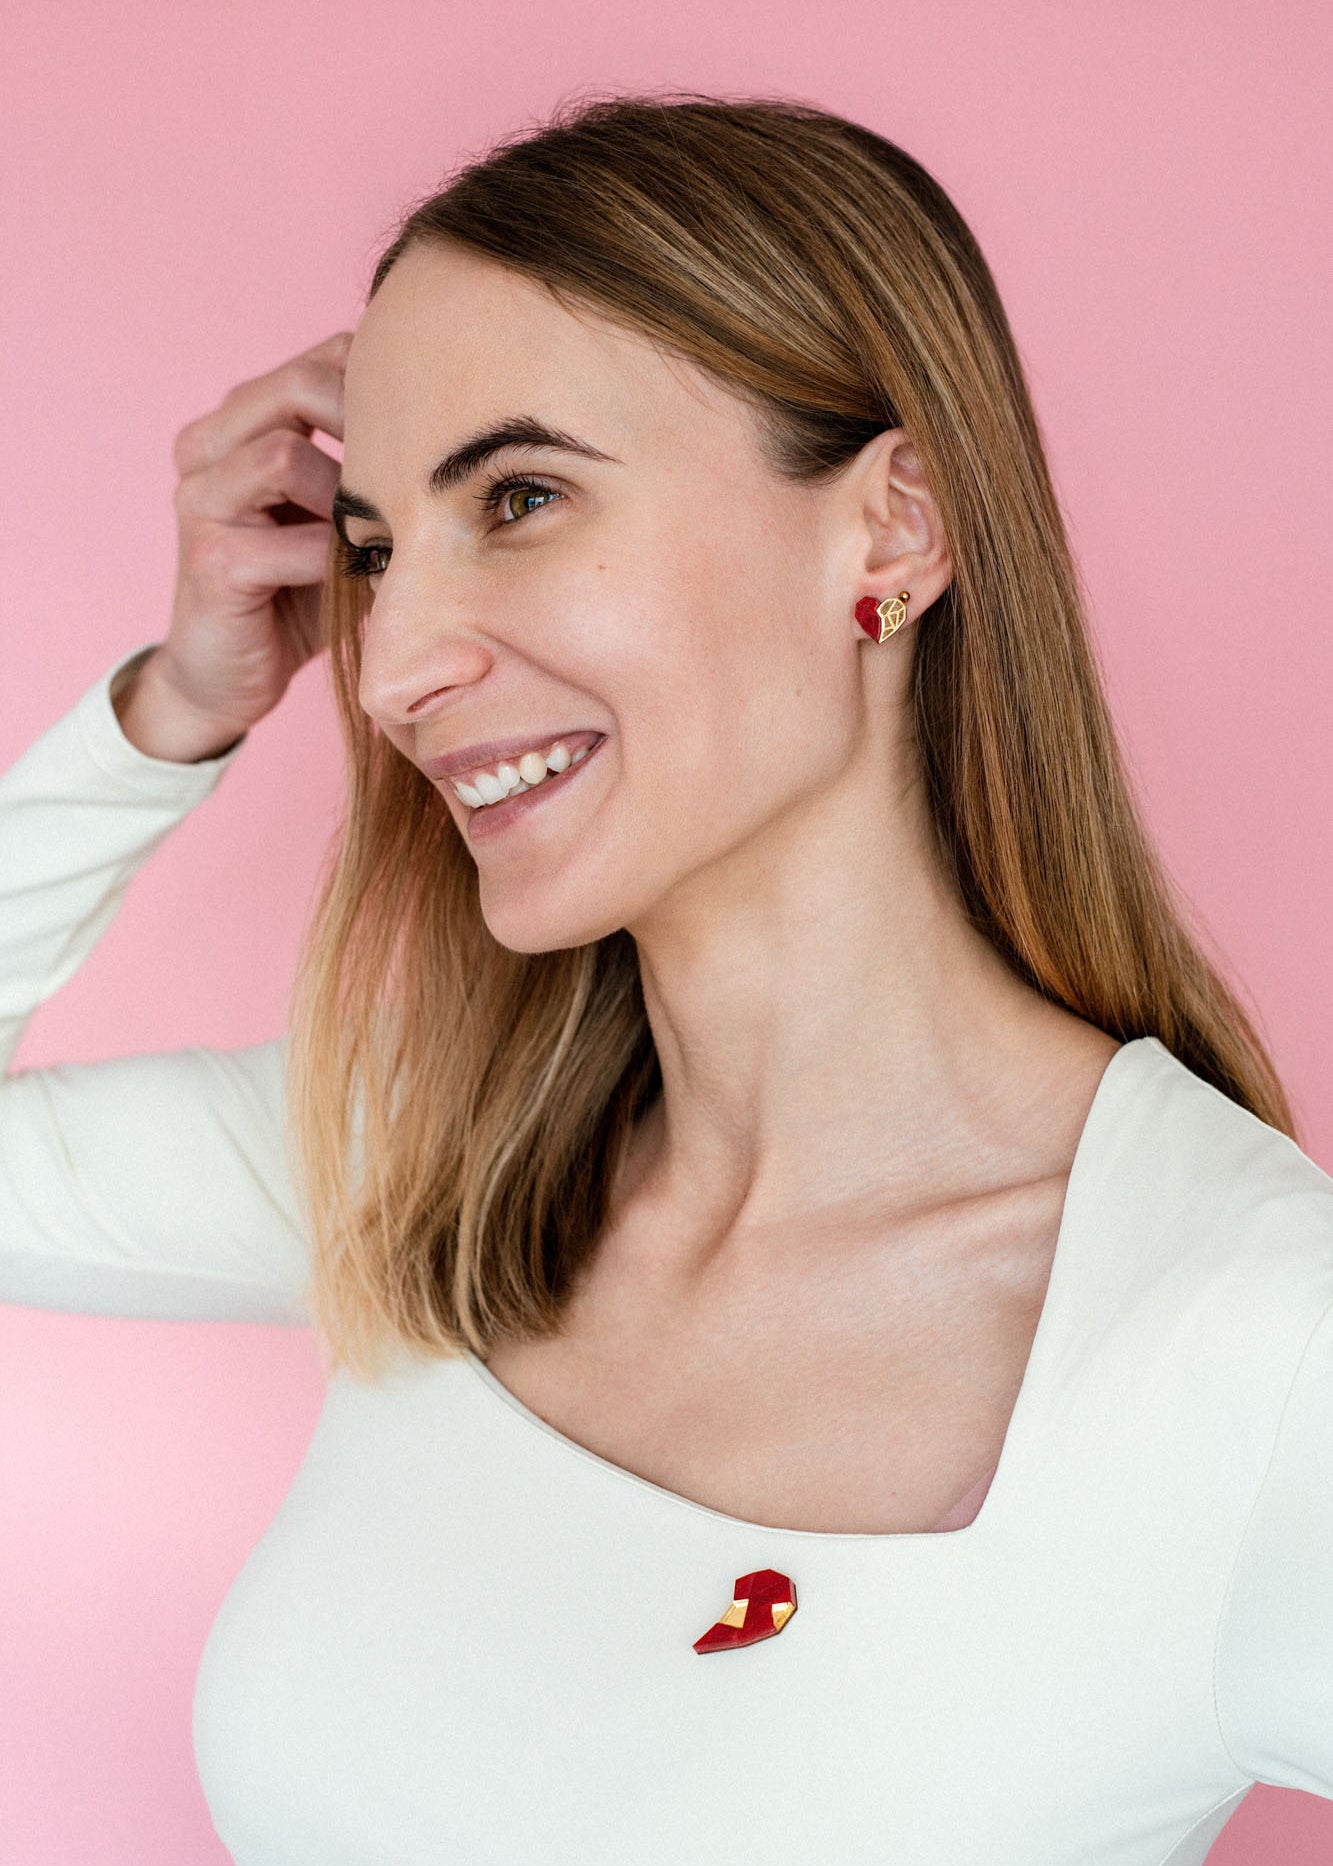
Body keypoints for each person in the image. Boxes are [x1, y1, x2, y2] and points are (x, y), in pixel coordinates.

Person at [3, 91, 1330, 1866]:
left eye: (524, 495)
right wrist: (169, 707)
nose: (391, 665)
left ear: (892, 529)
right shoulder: (423, 1167)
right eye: (376, 549)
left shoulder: (1246, 1348)